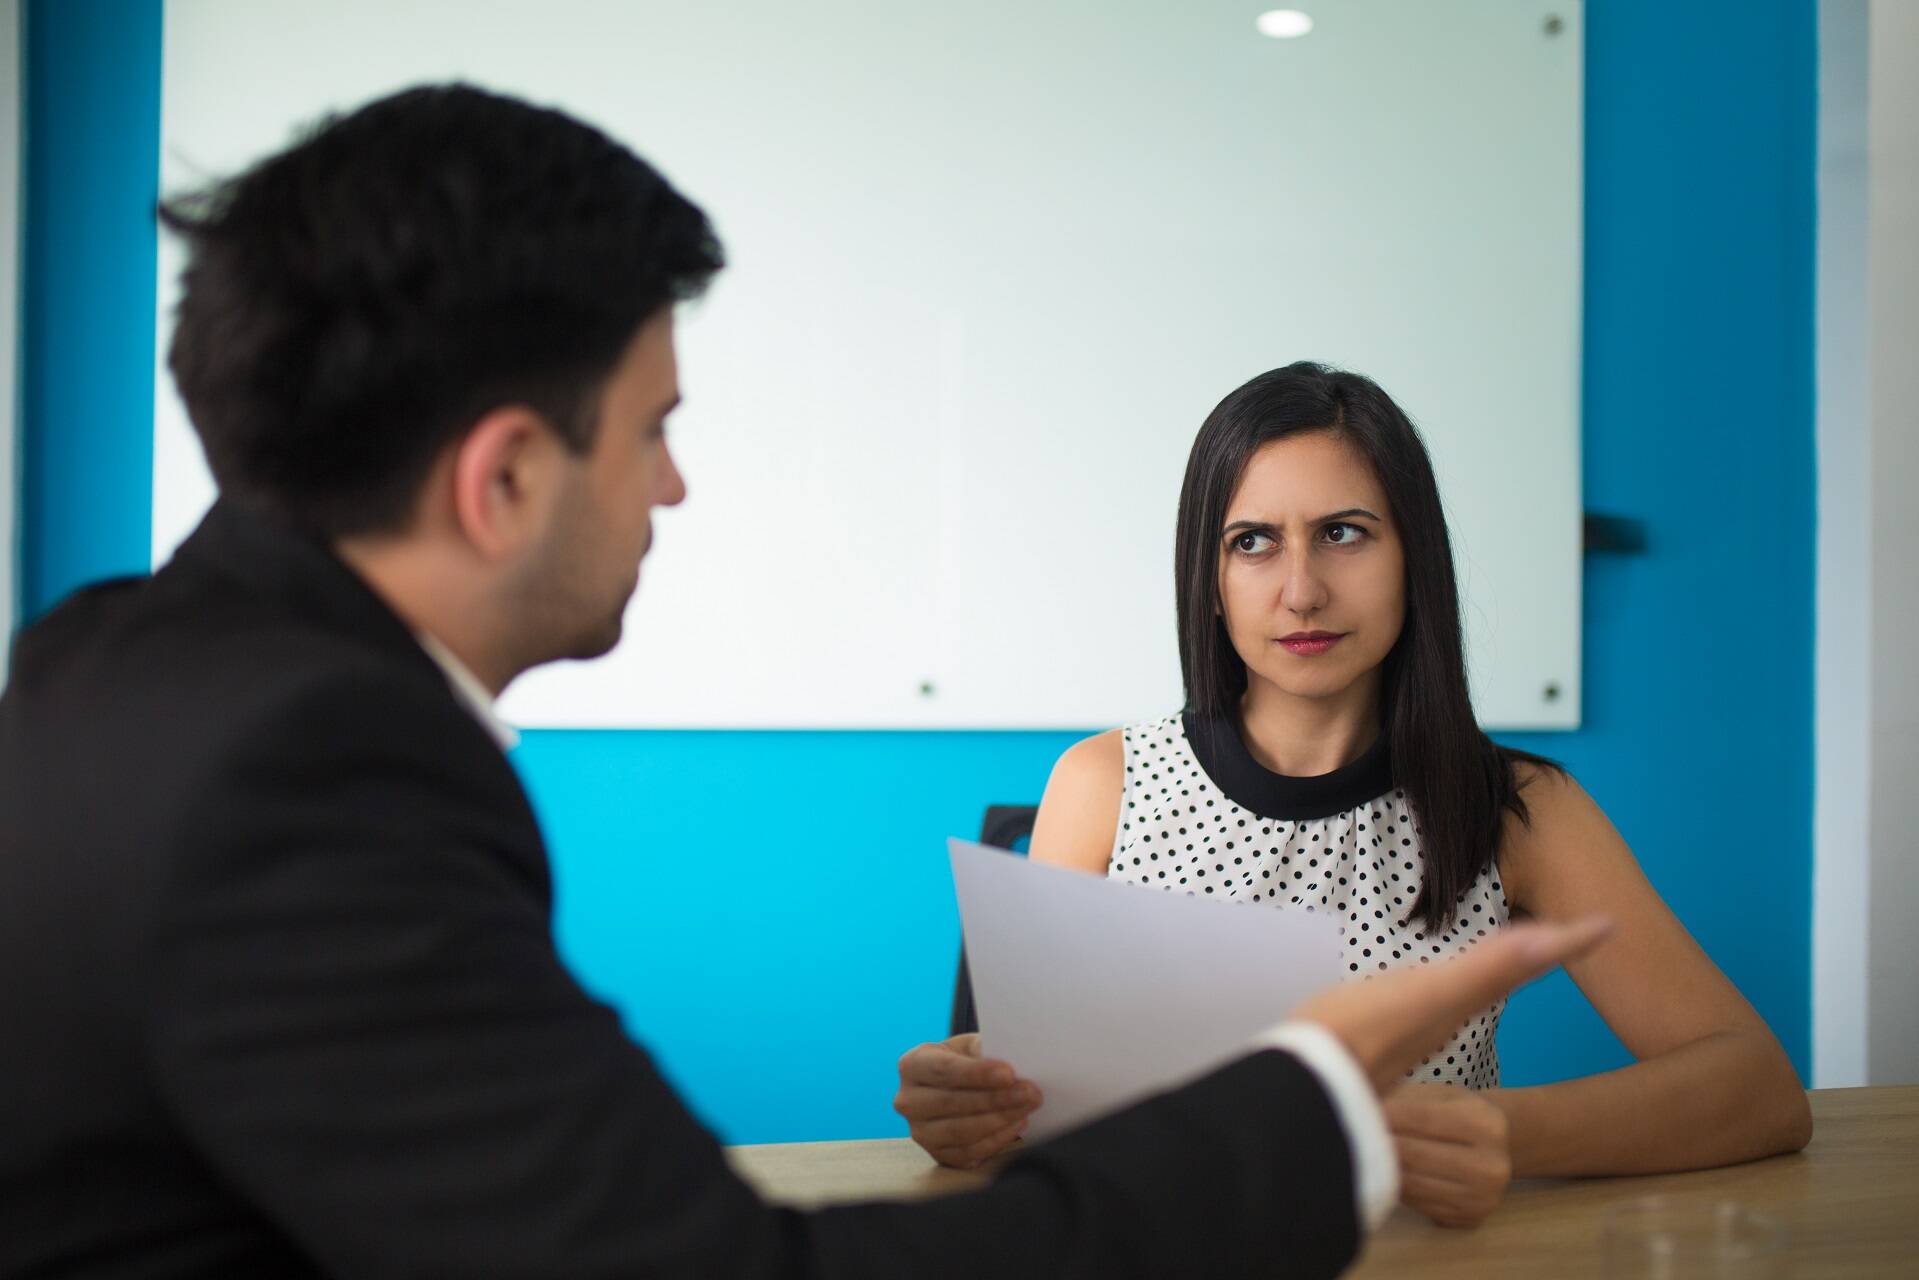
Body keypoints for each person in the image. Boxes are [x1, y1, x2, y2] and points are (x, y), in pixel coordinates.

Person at [0, 85, 1610, 1279]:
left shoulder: (97, 670)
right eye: (652, 430)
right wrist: (1314, 1097)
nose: (673, 492)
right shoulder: (314, 776)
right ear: (499, 479)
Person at [895, 363, 1812, 1226]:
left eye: (1342, 533)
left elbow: (1760, 1091)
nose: (1301, 591)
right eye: (1251, 543)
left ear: (1415, 557)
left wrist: (1509, 1132)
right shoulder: (1103, 785)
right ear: (1207, 583)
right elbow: (1022, 1104)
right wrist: (966, 1113)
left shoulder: (1517, 807)